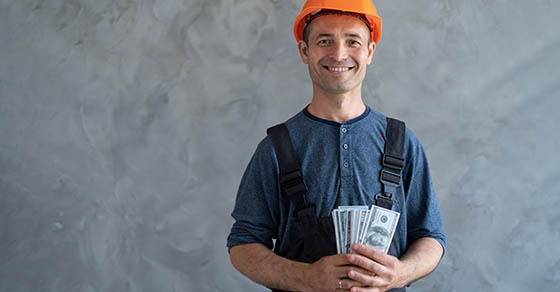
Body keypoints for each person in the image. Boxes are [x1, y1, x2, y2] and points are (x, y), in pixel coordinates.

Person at [227, 1, 446, 291]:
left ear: (370, 51)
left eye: (353, 41)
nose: (339, 54)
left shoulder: (402, 142)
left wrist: (400, 273)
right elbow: (243, 244)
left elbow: (430, 236)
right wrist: (305, 277)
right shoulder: (276, 147)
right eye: (324, 41)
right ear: (304, 51)